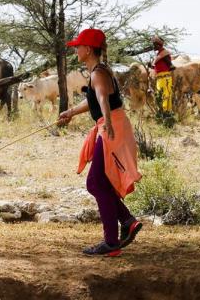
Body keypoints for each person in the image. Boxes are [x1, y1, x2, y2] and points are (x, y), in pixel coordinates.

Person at [58, 28, 143, 257]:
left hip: (109, 127)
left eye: (78, 46)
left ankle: (112, 241)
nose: (76, 49)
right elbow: (96, 99)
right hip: (110, 125)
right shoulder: (99, 71)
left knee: (95, 183)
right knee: (101, 183)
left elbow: (103, 99)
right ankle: (126, 222)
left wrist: (106, 124)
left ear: (88, 49)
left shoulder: (97, 73)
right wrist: (71, 112)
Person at [150, 36, 174, 111]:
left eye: (154, 44)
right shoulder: (160, 54)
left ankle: (166, 114)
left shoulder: (164, 53)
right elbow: (159, 68)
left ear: (158, 45)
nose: (153, 46)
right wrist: (151, 66)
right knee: (161, 96)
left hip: (164, 78)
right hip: (160, 79)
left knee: (165, 96)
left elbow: (171, 66)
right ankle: (164, 114)